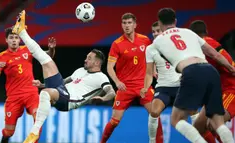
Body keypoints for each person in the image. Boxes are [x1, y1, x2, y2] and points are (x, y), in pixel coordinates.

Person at [11, 10, 116, 143]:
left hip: (69, 100)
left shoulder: (101, 77)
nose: (85, 60)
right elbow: (65, 81)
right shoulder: (80, 70)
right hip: (62, 89)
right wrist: (43, 84)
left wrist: (103, 98)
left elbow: (111, 92)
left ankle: (34, 132)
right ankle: (21, 31)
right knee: (44, 59)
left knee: (45, 93)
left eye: (89, 58)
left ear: (96, 63)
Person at [151, 8, 235, 143]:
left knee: (178, 120)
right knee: (203, 126)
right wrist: (231, 67)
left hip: (220, 84)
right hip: (212, 76)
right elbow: (216, 55)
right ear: (176, 21)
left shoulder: (158, 42)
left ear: (159, 24)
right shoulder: (188, 33)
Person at [100, 13, 163, 143]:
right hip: (125, 87)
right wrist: (117, 82)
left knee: (155, 114)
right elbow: (109, 67)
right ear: (121, 25)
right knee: (114, 121)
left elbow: (152, 57)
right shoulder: (117, 44)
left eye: (129, 23)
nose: (127, 26)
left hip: (142, 85)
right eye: (124, 23)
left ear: (135, 25)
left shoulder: (145, 40)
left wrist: (154, 69)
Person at [0, 26, 55, 143]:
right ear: (6, 40)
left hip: (31, 92)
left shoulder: (27, 49)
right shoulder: (2, 56)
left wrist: (51, 50)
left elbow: (46, 56)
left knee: (38, 118)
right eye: (11, 38)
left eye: (16, 37)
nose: (14, 40)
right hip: (14, 97)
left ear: (20, 39)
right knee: (9, 132)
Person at [140, 21, 199, 143]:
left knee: (193, 112)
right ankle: (152, 141)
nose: (155, 34)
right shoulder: (150, 49)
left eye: (158, 31)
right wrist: (146, 87)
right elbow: (149, 73)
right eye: (153, 31)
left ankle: (200, 139)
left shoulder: (177, 44)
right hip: (163, 87)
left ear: (163, 31)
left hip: (180, 86)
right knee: (154, 111)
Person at [190, 20, 235, 142]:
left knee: (213, 123)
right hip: (216, 93)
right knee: (198, 127)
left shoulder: (207, 43)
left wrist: (231, 68)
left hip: (231, 89)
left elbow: (227, 60)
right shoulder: (195, 49)